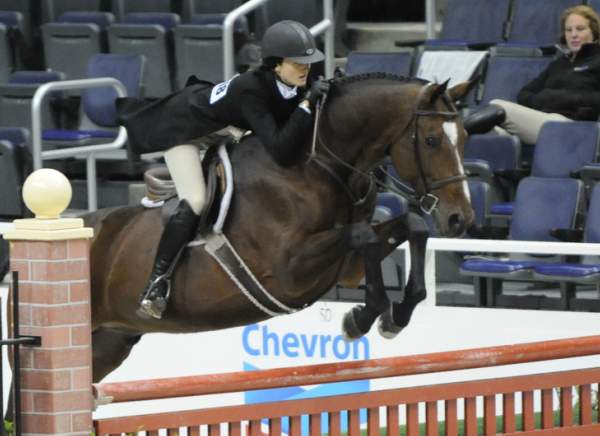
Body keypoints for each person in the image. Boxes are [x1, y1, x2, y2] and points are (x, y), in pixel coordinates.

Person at [117, 20, 330, 320]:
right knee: (196, 199)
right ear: (276, 64)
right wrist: (307, 104)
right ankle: (156, 283)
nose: (306, 69)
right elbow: (281, 147)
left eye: (309, 62)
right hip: (184, 130)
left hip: (223, 131)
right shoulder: (251, 89)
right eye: (298, 63)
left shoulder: (294, 80)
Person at [464, 5, 600, 144]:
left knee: (498, 107)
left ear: (594, 32)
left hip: (573, 126)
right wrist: (547, 99)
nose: (573, 35)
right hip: (544, 119)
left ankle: (453, 134)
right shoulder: (559, 63)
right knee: (489, 131)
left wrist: (556, 97)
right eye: (568, 30)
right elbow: (524, 94)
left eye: (580, 29)